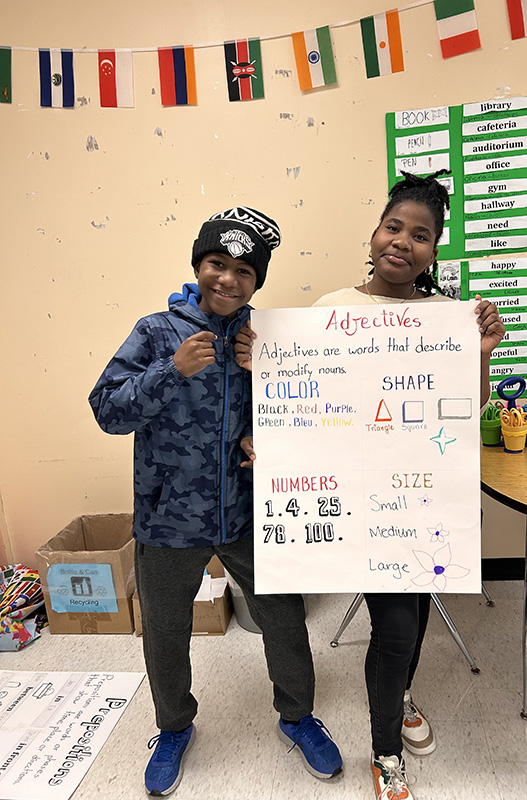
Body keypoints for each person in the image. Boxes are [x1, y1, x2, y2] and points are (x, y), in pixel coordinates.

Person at [235, 173, 505, 800]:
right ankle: (385, 750)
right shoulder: (332, 309)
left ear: (434, 250)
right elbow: (305, 402)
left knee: (412, 618)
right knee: (397, 629)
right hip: (366, 503)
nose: (403, 243)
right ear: (375, 232)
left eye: (421, 235)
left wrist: (483, 351)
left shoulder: (446, 318)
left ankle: (402, 695)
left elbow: (471, 410)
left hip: (424, 500)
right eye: (394, 227)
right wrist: (263, 364)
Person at [89, 206, 342, 797]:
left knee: (283, 616)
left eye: (243, 271)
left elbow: (313, 414)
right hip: (168, 517)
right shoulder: (156, 332)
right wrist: (168, 372)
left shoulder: (272, 339)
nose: (227, 279)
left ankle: (297, 715)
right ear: (198, 264)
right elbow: (106, 410)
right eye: (216, 264)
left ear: (259, 280)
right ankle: (173, 726)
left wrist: (269, 405)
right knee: (166, 629)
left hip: (250, 512)